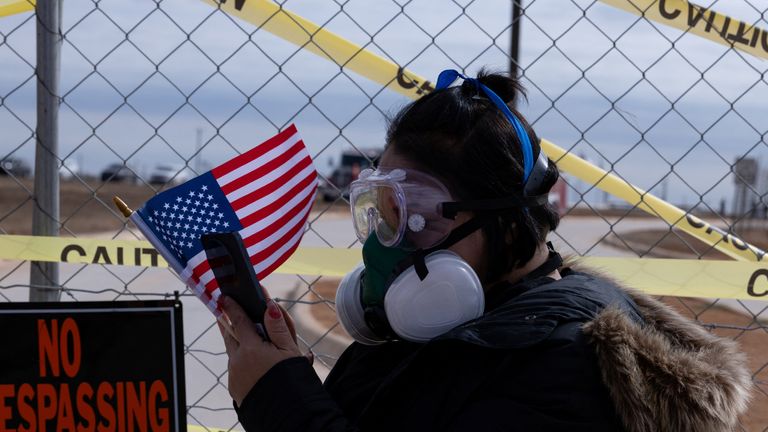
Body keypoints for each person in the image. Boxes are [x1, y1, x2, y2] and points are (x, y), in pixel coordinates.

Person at [218, 69, 752, 431]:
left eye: (415, 213)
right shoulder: (461, 326)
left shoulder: (564, 369)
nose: (390, 240)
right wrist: (289, 377)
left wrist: (282, 403)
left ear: (507, 221)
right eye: (380, 209)